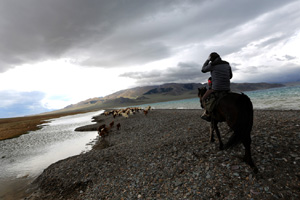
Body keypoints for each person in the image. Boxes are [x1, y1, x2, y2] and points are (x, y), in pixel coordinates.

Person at [201, 52, 232, 121]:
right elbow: (230, 76)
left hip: (216, 88)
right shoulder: (227, 64)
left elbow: (203, 70)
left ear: (211, 59)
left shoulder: (212, 64)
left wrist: (207, 60)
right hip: (227, 88)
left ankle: (207, 113)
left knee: (203, 98)